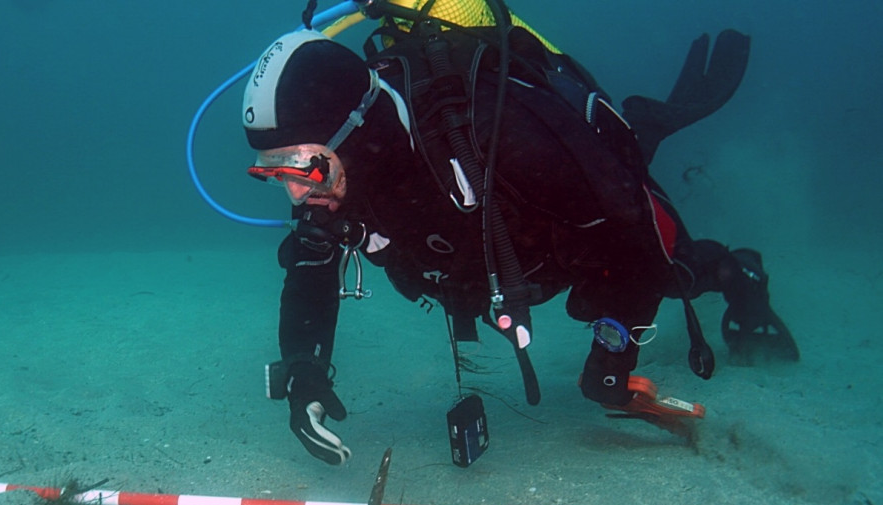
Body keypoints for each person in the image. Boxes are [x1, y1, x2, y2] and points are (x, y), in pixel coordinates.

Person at [243, 0, 799, 466]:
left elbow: (632, 238)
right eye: (272, 170)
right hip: (483, 267)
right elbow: (311, 265)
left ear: (361, 128)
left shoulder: (504, 139)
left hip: (569, 246)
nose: (296, 192)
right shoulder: (333, 173)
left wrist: (615, 352)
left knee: (670, 270)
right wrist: (305, 368)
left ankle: (740, 272)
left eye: (303, 166)